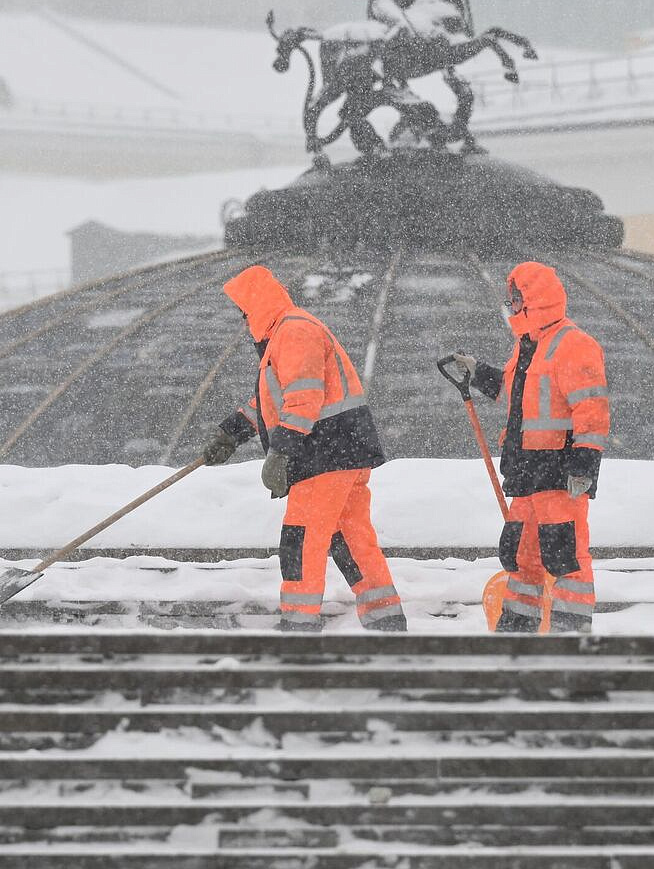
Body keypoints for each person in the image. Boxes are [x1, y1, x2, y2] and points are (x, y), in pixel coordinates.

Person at [202, 265, 406, 632]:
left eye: (243, 309)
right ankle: (386, 621)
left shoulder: (294, 331)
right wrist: (231, 433)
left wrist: (282, 452)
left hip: (324, 453)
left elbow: (303, 398)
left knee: (301, 540)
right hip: (342, 451)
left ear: (257, 303)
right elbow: (273, 400)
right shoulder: (287, 334)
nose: (242, 317)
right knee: (351, 539)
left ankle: (298, 628)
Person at [447, 261, 610, 633]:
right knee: (520, 555)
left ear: (534, 299)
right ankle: (517, 629)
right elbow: (513, 393)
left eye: (516, 297)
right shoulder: (528, 348)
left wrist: (584, 462)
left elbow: (592, 409)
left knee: (564, 555)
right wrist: (476, 372)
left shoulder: (574, 345)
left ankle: (570, 632)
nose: (511, 304)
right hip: (526, 473)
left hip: (559, 473)